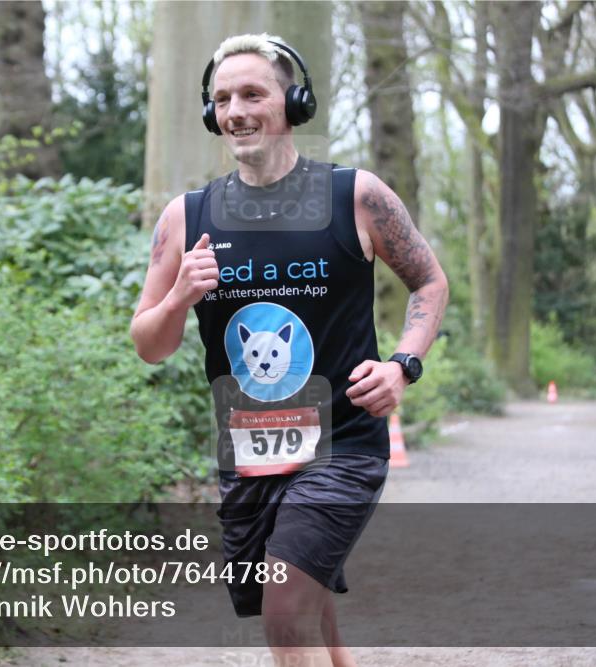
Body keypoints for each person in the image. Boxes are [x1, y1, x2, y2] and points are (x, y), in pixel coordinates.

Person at [130, 33, 448, 667]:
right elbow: (150, 344)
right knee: (303, 599)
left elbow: (429, 282)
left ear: (293, 103)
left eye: (253, 93)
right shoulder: (187, 217)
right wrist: (176, 300)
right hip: (248, 447)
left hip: (344, 443)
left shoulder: (355, 196)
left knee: (284, 609)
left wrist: (402, 366)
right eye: (222, 99)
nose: (236, 111)